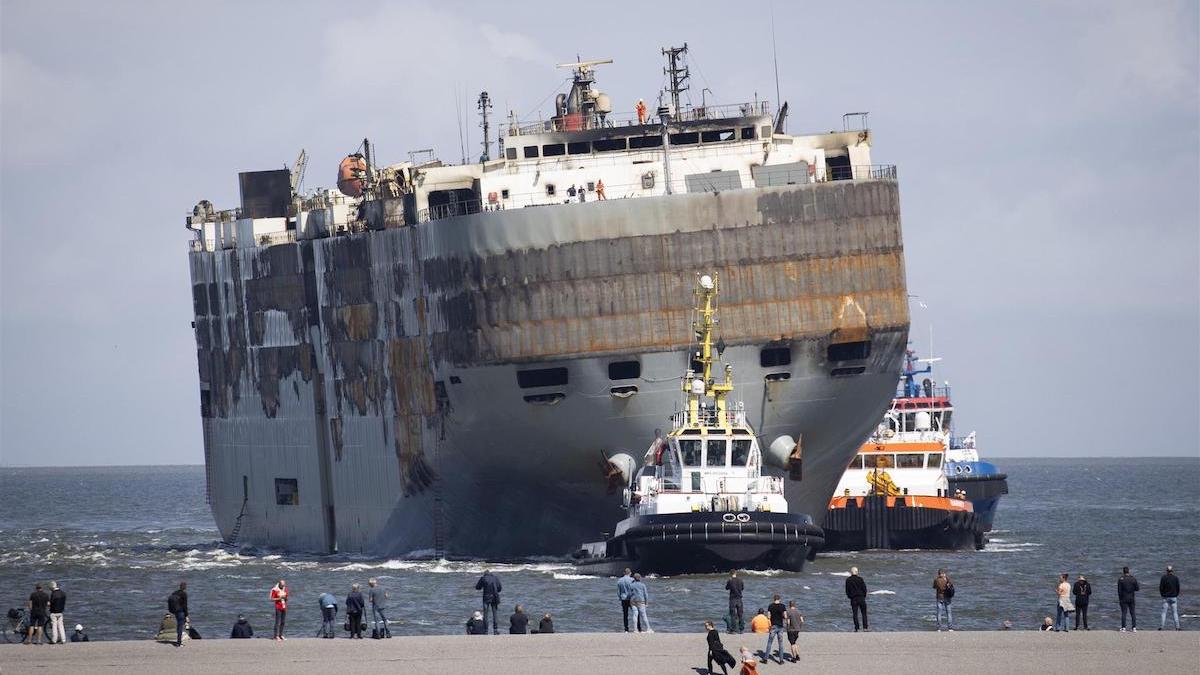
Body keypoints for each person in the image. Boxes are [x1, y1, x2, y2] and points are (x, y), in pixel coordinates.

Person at [475, 569, 502, 635]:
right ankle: (495, 630)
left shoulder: (483, 578)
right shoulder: (495, 578)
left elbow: (478, 587)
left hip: (486, 598)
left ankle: (486, 630)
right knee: (495, 614)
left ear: (485, 574)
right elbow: (500, 588)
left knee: (486, 614)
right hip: (495, 597)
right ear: (490, 573)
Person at [762, 594, 786, 664]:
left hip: (773, 626)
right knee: (780, 643)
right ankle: (781, 660)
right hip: (780, 626)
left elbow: (768, 617)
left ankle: (765, 659)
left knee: (769, 643)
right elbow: (785, 616)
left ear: (774, 599)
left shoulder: (770, 606)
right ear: (779, 599)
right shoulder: (783, 606)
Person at [846, 567, 868, 631]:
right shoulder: (860, 579)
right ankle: (865, 628)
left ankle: (857, 628)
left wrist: (850, 596)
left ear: (851, 572)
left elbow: (847, 590)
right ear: (857, 572)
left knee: (855, 614)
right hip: (861, 597)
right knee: (864, 613)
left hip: (853, 598)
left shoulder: (848, 580)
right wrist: (864, 596)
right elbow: (864, 589)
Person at [1118, 566, 1139, 632]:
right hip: (1131, 598)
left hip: (1123, 598)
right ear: (1128, 571)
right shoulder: (1133, 579)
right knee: (1133, 613)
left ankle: (1124, 627)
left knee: (1124, 613)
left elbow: (1119, 591)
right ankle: (1134, 627)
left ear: (1123, 572)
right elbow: (1137, 588)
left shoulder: (1121, 579)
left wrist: (1120, 599)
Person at [1159, 565, 1180, 630]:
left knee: (1164, 613)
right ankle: (1177, 627)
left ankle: (1162, 627)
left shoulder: (1163, 578)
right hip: (1174, 597)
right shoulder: (1175, 578)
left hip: (1166, 597)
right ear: (1172, 571)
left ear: (1167, 571)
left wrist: (1162, 594)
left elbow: (1161, 588)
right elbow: (1178, 587)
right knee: (1175, 613)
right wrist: (1176, 594)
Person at [168, 582, 189, 647]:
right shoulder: (184, 594)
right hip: (181, 611)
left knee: (179, 625)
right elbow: (185, 606)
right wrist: (187, 615)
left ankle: (178, 640)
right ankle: (179, 643)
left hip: (175, 611)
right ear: (185, 587)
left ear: (180, 587)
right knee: (180, 626)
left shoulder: (174, 593)